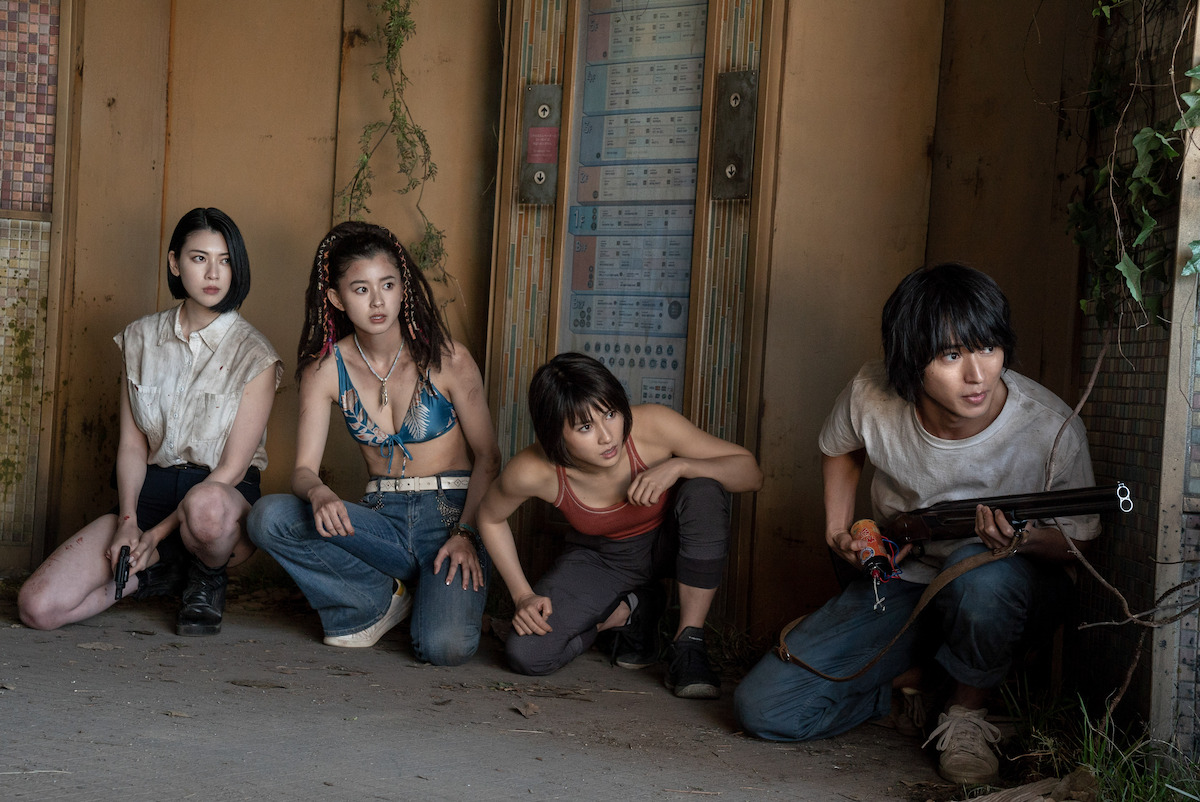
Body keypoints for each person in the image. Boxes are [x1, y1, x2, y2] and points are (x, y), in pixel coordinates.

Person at [733, 263, 1101, 784]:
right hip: (905, 582)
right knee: (765, 709)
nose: (977, 375)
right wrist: (837, 528)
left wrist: (1024, 539)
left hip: (1007, 591)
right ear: (909, 360)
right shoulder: (871, 393)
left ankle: (967, 715)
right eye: (951, 355)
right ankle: (920, 694)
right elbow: (839, 446)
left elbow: (1080, 542)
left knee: (979, 575)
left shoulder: (1052, 426)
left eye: (989, 348)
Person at [19, 207, 282, 636]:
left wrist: (154, 536)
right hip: (149, 493)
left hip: (220, 504)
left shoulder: (255, 355)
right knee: (37, 608)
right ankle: (158, 576)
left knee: (205, 506)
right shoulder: (139, 338)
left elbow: (230, 470)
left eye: (225, 259)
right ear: (175, 263)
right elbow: (131, 446)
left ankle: (207, 574)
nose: (214, 272)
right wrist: (128, 523)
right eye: (199, 258)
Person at [247, 221, 500, 666]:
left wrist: (466, 534)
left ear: (404, 288)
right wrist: (319, 491)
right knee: (269, 517)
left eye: (387, 284)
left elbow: (489, 458)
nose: (378, 301)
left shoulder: (447, 358)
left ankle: (434, 595)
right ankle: (375, 599)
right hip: (381, 521)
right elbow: (303, 470)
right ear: (336, 298)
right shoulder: (324, 370)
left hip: (452, 517)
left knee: (442, 648)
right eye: (360, 289)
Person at [477, 352, 763, 699]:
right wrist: (522, 595)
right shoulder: (534, 468)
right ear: (556, 434)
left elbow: (750, 473)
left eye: (610, 414)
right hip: (604, 559)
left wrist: (681, 466)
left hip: (674, 542)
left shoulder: (655, 425)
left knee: (704, 488)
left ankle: (688, 642)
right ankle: (631, 611)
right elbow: (490, 517)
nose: (607, 437)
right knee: (528, 654)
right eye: (585, 427)